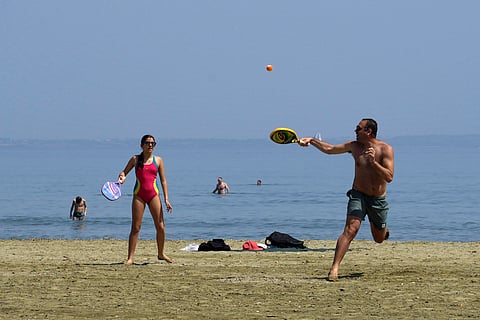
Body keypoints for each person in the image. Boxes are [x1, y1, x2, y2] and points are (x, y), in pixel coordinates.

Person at [299, 118, 394, 281]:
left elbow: (389, 177)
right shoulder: (354, 147)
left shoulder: (385, 149)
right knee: (351, 229)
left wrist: (373, 163)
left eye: (358, 128)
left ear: (368, 132)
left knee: (378, 239)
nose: (355, 131)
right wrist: (312, 140)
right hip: (358, 194)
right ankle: (334, 269)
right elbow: (330, 149)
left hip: (377, 199)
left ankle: (383, 232)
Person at [118, 134, 173, 265]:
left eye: (153, 143)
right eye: (148, 143)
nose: (150, 145)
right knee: (136, 227)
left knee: (160, 226)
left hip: (154, 195)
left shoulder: (158, 160)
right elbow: (123, 173)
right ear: (141, 145)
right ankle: (130, 258)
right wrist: (122, 177)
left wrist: (166, 198)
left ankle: (161, 253)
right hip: (139, 195)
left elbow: (163, 181)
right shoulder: (135, 159)